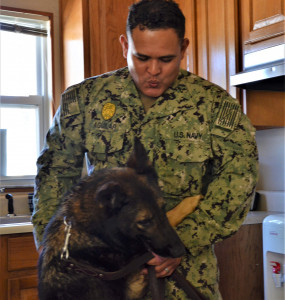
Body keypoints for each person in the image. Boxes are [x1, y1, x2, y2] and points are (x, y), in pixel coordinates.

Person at [32, 0, 259, 299]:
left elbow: (239, 184)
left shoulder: (216, 107)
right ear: (125, 44)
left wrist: (183, 240)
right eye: (142, 57)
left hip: (184, 280)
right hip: (103, 284)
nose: (154, 71)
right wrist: (58, 253)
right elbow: (54, 177)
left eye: (167, 59)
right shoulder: (84, 101)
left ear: (184, 47)